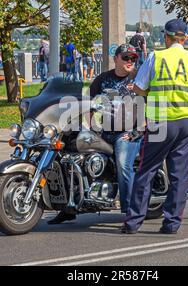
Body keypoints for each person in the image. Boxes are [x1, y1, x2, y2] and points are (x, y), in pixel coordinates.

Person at [122, 19, 188, 234]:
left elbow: (140, 89)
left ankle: (133, 223)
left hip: (160, 121)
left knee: (146, 171)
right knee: (179, 175)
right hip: (186, 124)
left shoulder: (156, 57)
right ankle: (171, 224)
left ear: (166, 38)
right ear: (185, 38)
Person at [47, 44, 143, 225]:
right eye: (126, 58)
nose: (130, 61)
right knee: (70, 155)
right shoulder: (103, 78)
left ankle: (131, 212)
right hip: (105, 132)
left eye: (133, 58)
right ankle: (68, 207)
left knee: (123, 164)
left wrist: (138, 131)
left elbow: (152, 104)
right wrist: (90, 124)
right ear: (116, 59)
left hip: (129, 133)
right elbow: (87, 102)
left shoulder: (139, 78)